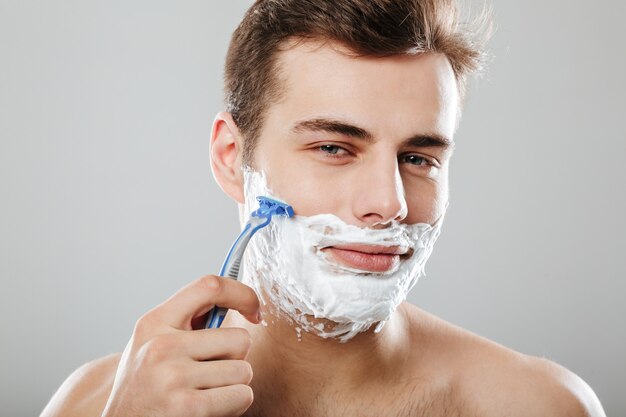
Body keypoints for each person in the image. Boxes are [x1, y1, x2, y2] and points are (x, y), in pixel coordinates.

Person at [41, 1, 607, 416]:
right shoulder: (97, 405)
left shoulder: (538, 406)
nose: (389, 204)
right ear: (232, 158)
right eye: (334, 147)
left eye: (418, 157)